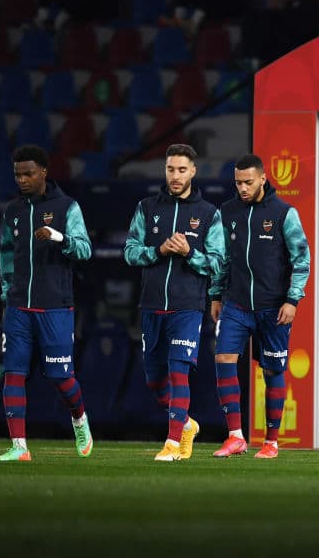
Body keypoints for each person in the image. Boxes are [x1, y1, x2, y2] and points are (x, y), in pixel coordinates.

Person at [124, 143, 225, 462]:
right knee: (154, 379)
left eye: (182, 170)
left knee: (178, 370)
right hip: (152, 304)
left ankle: (171, 442)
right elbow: (129, 252)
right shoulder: (146, 208)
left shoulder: (209, 214)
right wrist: (159, 251)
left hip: (188, 306)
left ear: (194, 171)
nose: (176, 176)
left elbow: (218, 262)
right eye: (171, 169)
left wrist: (189, 253)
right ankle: (187, 424)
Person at [0, 145, 94, 462]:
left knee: (61, 377)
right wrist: (7, 292)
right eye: (17, 175)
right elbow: (6, 254)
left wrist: (59, 237)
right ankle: (19, 447)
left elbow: (85, 250)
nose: (22, 180)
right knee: (13, 373)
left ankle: (79, 420)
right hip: (18, 307)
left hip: (55, 306)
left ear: (44, 173)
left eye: (28, 174)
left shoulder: (67, 207)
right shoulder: (13, 210)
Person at [209, 154, 310, 459]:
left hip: (273, 307)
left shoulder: (284, 213)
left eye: (248, 182)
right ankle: (235, 437)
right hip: (236, 304)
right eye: (238, 182)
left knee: (272, 371)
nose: (242, 188)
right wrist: (216, 295)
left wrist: (292, 300)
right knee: (223, 358)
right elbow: (221, 258)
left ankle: (271, 442)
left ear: (263, 179)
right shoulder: (226, 212)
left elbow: (301, 259)